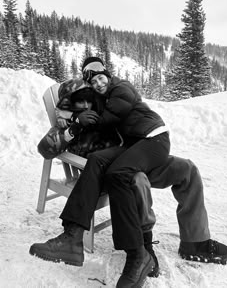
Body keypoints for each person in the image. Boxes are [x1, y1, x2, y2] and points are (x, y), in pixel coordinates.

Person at [80, 57, 227, 287]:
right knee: (136, 180)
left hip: (147, 150)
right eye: (94, 82)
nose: (99, 84)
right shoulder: (94, 102)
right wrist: (76, 118)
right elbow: (75, 105)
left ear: (108, 76)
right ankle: (144, 247)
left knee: (188, 170)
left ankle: (195, 242)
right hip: (125, 162)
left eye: (102, 78)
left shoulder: (119, 91)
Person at [33, 78, 159, 277]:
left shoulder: (105, 114)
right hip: (96, 176)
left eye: (88, 99)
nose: (85, 105)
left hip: (127, 163)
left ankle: (145, 246)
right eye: (78, 101)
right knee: (134, 179)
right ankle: (73, 238)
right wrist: (73, 128)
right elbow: (44, 149)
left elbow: (129, 111)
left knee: (138, 178)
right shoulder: (68, 125)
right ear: (69, 104)